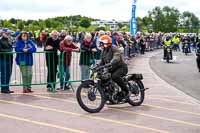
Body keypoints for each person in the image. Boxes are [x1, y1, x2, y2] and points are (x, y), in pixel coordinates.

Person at [0, 28, 14, 94]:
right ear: (2, 33)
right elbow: (0, 49)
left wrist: (10, 50)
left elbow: (11, 47)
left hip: (9, 59)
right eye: (6, 33)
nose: (8, 34)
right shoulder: (0, 40)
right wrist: (8, 51)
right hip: (3, 59)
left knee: (9, 73)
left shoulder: (9, 40)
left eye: (8, 33)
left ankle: (7, 88)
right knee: (4, 74)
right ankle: (3, 88)